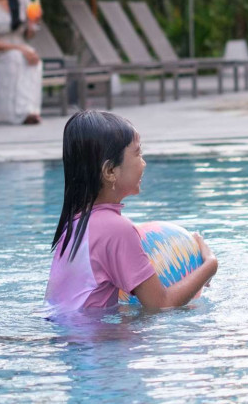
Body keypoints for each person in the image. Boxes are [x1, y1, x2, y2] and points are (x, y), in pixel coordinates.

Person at [45, 111, 219, 311]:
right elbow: (161, 305)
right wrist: (210, 265)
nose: (143, 163)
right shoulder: (116, 229)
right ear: (110, 171)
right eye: (138, 153)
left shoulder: (75, 224)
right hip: (92, 332)